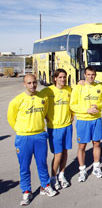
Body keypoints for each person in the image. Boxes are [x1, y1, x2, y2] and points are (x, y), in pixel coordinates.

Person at [7, 74, 57, 206]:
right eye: (29, 83)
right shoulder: (17, 101)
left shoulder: (43, 97)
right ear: (24, 84)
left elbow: (45, 112)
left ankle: (45, 186)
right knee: (24, 167)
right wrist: (20, 130)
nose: (32, 85)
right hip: (24, 138)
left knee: (42, 163)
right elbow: (11, 118)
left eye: (34, 83)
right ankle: (26, 192)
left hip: (39, 136)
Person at [70, 67, 102, 182]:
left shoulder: (99, 87)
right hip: (83, 120)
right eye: (88, 74)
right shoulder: (78, 88)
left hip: (96, 120)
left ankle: (96, 167)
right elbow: (72, 105)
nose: (91, 77)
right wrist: (86, 110)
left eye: (93, 75)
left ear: (95, 75)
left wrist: (98, 106)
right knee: (82, 146)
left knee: (97, 144)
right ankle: (82, 170)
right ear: (85, 75)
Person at [41, 69, 72, 190]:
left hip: (67, 126)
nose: (63, 79)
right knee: (57, 154)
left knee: (64, 152)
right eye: (60, 77)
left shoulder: (69, 90)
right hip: (54, 128)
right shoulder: (47, 91)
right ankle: (53, 177)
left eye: (64, 77)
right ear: (55, 78)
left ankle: (62, 175)